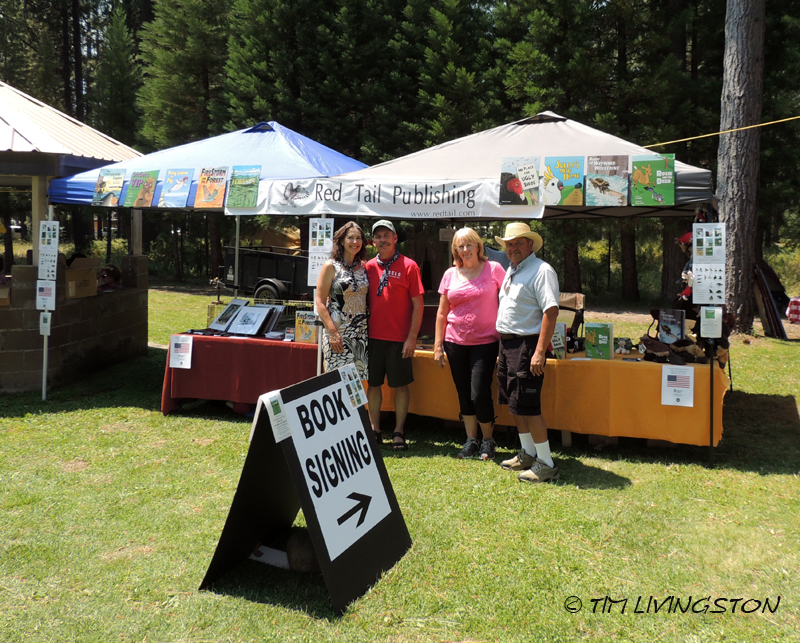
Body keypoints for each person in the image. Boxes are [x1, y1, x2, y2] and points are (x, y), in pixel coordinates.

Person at [494, 222, 560, 483]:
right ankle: (528, 454)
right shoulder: (513, 269)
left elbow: (551, 312)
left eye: (518, 243)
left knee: (530, 407)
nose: (512, 248)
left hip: (528, 346)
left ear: (530, 244)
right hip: (509, 345)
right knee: (515, 404)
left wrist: (539, 352)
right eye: (509, 244)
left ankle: (547, 464)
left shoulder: (542, 270)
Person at [433, 227, 506, 460]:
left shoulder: (493, 269)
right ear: (456, 250)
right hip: (455, 342)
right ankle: (471, 441)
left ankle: (488, 441)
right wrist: (437, 346)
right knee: (463, 393)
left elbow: (508, 302)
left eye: (469, 245)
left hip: (485, 341)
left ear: (478, 246)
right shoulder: (450, 274)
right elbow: (442, 313)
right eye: (460, 246)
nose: (465, 250)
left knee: (479, 393)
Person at [366, 220, 424, 451]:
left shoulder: (409, 266)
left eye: (387, 235)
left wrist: (412, 337)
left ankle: (399, 431)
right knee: (373, 385)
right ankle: (375, 429)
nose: (383, 240)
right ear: (373, 241)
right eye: (378, 236)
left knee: (400, 386)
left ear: (395, 238)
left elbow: (418, 305)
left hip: (400, 339)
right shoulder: (367, 267)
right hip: (372, 337)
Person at [315, 221, 370, 380]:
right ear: (341, 241)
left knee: (356, 387)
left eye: (358, 238)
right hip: (338, 334)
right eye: (351, 238)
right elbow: (319, 301)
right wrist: (332, 332)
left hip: (360, 335)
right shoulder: (331, 266)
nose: (355, 242)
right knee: (336, 384)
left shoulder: (363, 266)